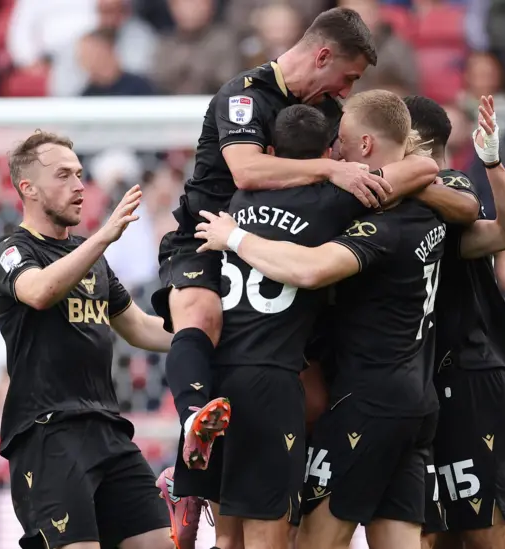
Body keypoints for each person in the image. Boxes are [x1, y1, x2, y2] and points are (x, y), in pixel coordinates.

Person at [152, 6, 439, 481]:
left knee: (311, 391)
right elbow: (246, 170)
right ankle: (189, 455)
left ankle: (287, 482)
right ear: (322, 55)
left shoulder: (331, 113)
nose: (347, 91)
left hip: (286, 249)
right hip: (208, 235)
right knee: (203, 317)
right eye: (346, 77)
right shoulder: (243, 96)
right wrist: (330, 169)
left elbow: (408, 164)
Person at [196, 90, 444, 549]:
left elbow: (307, 267)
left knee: (276, 541)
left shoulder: (239, 202)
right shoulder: (395, 211)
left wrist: (234, 235)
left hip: (337, 396)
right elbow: (428, 171)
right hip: (405, 396)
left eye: (345, 142)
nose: (340, 153)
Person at [160, 104, 373, 549]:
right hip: (271, 384)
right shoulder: (332, 205)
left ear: (272, 151)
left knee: (227, 540)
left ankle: (184, 485)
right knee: (268, 539)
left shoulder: (235, 204)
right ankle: (185, 487)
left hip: (217, 382)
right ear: (329, 153)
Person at [0, 131, 175, 549]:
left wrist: (207, 338)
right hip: (49, 433)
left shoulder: (92, 258)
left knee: (162, 543)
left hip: (108, 430)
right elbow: (38, 292)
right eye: (63, 175)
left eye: (79, 173)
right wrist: (103, 236)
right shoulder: (11, 250)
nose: (78, 185)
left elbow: (140, 327)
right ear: (28, 188)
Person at [404, 95, 505, 549]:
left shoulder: (451, 184)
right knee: (426, 535)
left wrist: (492, 164)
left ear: (412, 141)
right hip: (416, 386)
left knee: (483, 536)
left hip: (470, 378)